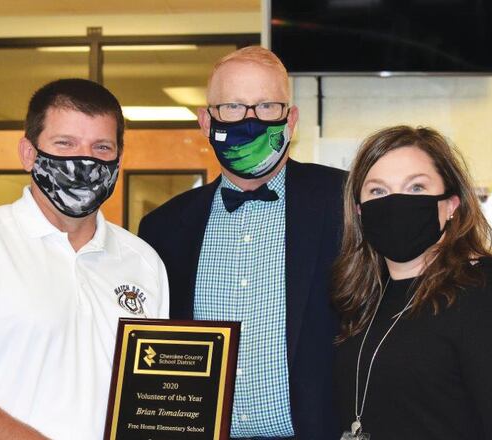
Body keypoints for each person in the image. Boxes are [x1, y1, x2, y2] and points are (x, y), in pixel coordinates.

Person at [0, 78, 169, 440]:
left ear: (119, 159)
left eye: (101, 148)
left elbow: (151, 399)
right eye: (65, 144)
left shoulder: (144, 263)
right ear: (28, 154)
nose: (83, 162)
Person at [138, 46, 343, 439]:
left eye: (267, 106)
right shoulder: (163, 228)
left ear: (291, 119)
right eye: (232, 107)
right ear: (205, 121)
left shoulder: (344, 202)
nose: (250, 121)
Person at [332, 126, 492, 440]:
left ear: (451, 204)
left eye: (416, 187)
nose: (396, 203)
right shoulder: (364, 298)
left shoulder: (489, 295)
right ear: (359, 211)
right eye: (378, 191)